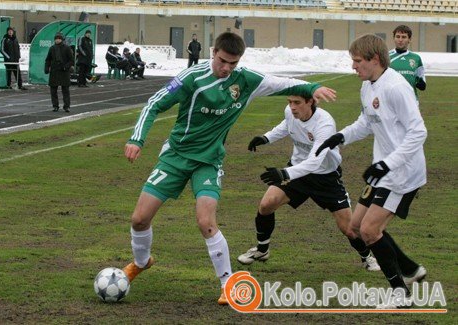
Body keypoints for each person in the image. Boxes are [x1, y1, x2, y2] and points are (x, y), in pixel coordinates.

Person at [122, 32, 336, 306]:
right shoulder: (191, 78)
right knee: (139, 219)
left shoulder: (245, 80)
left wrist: (312, 87)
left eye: (233, 64)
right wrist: (136, 139)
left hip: (209, 161)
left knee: (206, 221)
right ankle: (141, 262)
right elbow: (153, 104)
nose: (226, 69)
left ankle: (228, 284)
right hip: (175, 156)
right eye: (222, 61)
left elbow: (281, 83)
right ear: (213, 52)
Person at [316, 34, 428, 309]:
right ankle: (410, 268)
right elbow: (367, 121)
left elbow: (418, 132)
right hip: (382, 171)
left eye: (357, 61)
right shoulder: (368, 86)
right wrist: (340, 137)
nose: (353, 67)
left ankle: (401, 294)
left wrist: (388, 164)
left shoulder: (396, 88)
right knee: (355, 226)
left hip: (402, 173)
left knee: (369, 230)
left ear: (374, 60)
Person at [237, 94, 380, 272]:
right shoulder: (290, 112)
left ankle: (367, 258)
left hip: (325, 177)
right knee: (267, 204)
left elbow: (314, 162)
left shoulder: (324, 123)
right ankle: (261, 250)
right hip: (297, 172)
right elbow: (287, 125)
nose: (292, 107)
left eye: (297, 103)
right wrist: (266, 138)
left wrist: (283, 173)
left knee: (349, 229)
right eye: (289, 102)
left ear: (310, 102)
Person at [389, 25, 426, 99]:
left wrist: (419, 82)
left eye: (404, 37)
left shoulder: (416, 58)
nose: (400, 40)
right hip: (391, 100)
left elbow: (422, 84)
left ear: (409, 39)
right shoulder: (386, 56)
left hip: (411, 100)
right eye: (398, 36)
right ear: (394, 38)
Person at [45, 32, 74, 112]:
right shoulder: (52, 48)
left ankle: (67, 106)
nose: (57, 40)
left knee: (65, 90)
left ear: (62, 39)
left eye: (59, 38)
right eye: (56, 39)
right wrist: (46, 68)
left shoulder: (67, 48)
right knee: (53, 90)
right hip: (54, 71)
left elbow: (71, 60)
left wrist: (65, 67)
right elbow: (48, 59)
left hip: (64, 72)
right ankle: (55, 106)